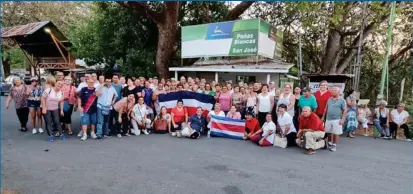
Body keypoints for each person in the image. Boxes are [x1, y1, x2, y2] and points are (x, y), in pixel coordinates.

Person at [323, 87, 346, 152]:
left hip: (337, 119)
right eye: (332, 90)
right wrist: (323, 117)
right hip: (328, 118)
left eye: (335, 90)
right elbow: (326, 109)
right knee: (329, 132)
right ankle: (330, 143)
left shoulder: (342, 100)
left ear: (338, 92)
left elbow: (344, 111)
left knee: (336, 133)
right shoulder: (329, 99)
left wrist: (343, 119)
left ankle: (334, 145)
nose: (333, 91)